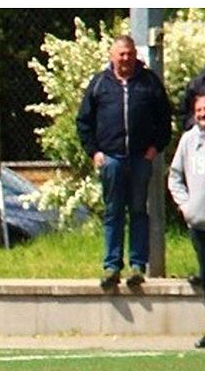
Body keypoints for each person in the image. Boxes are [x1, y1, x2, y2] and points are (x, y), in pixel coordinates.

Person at [76, 35, 172, 290]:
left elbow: (165, 118)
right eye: (121, 54)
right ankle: (112, 266)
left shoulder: (149, 82)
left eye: (129, 54)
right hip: (111, 160)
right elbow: (84, 122)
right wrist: (94, 152)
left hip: (141, 158)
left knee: (139, 211)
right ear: (112, 56)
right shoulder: (99, 84)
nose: (126, 59)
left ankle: (138, 266)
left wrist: (155, 148)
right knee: (113, 212)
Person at [167, 93, 205, 349]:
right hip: (199, 223)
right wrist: (185, 207)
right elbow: (175, 177)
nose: (203, 114)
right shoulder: (188, 141)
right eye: (199, 110)